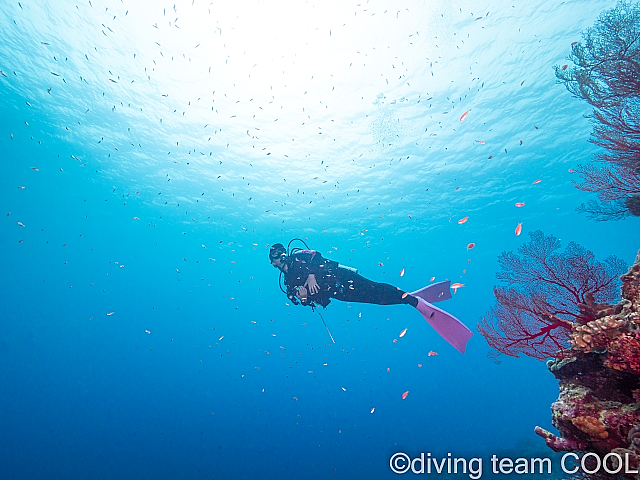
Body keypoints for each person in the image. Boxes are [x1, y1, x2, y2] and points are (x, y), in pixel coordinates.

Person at [269, 241, 473, 353]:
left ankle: (413, 301)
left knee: (374, 287)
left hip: (341, 276)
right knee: (375, 298)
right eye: (274, 258)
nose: (277, 259)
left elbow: (316, 253)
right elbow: (298, 300)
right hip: (338, 293)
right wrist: (304, 298)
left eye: (278, 254)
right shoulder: (288, 282)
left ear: (284, 253)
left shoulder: (299, 256)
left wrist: (312, 273)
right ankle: (406, 298)